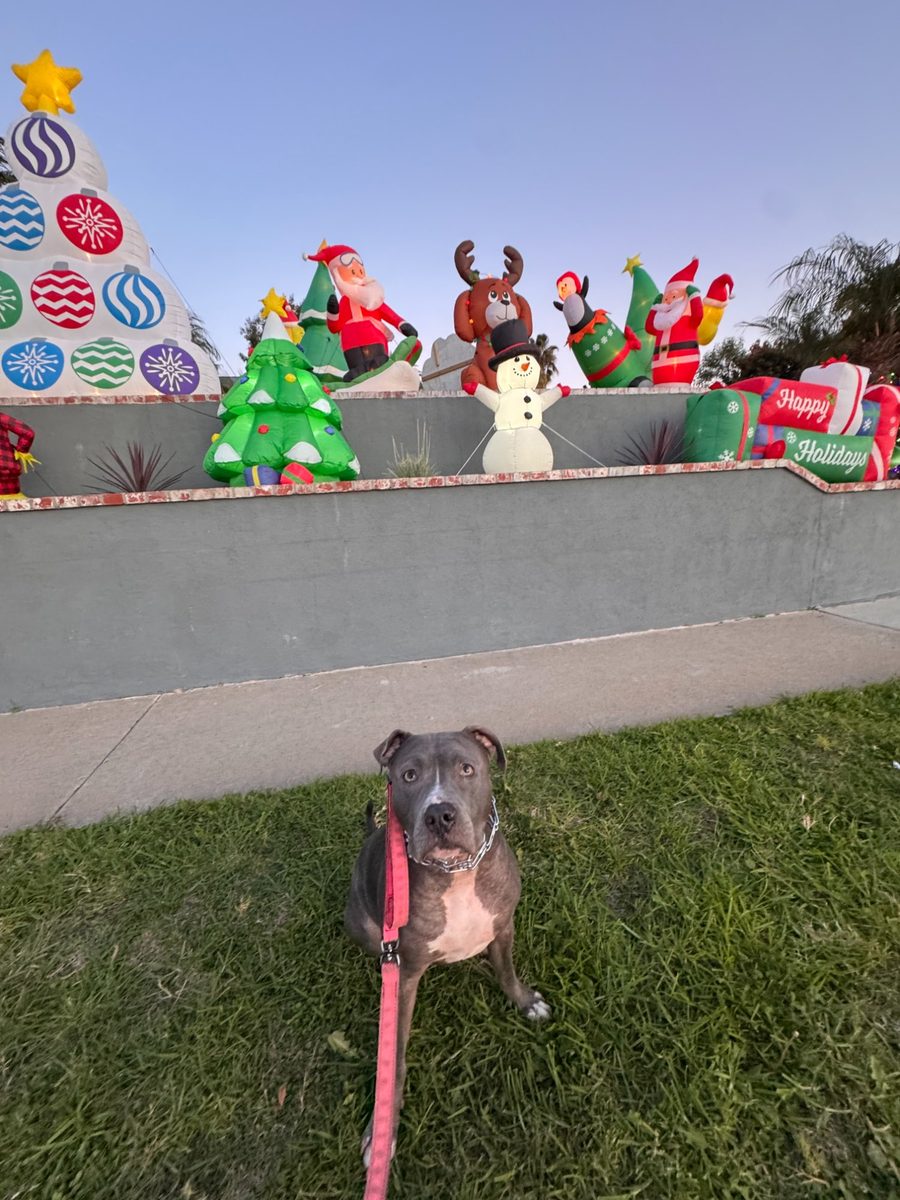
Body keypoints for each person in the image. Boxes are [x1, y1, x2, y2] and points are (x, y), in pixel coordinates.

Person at [303, 244, 417, 381]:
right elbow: (334, 327)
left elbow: (387, 312)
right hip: (350, 343)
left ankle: (380, 368)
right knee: (356, 368)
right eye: (352, 272)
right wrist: (333, 312)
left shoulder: (371, 298)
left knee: (378, 362)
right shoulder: (344, 302)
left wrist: (401, 324)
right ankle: (356, 376)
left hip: (374, 338)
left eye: (360, 271)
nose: (357, 275)